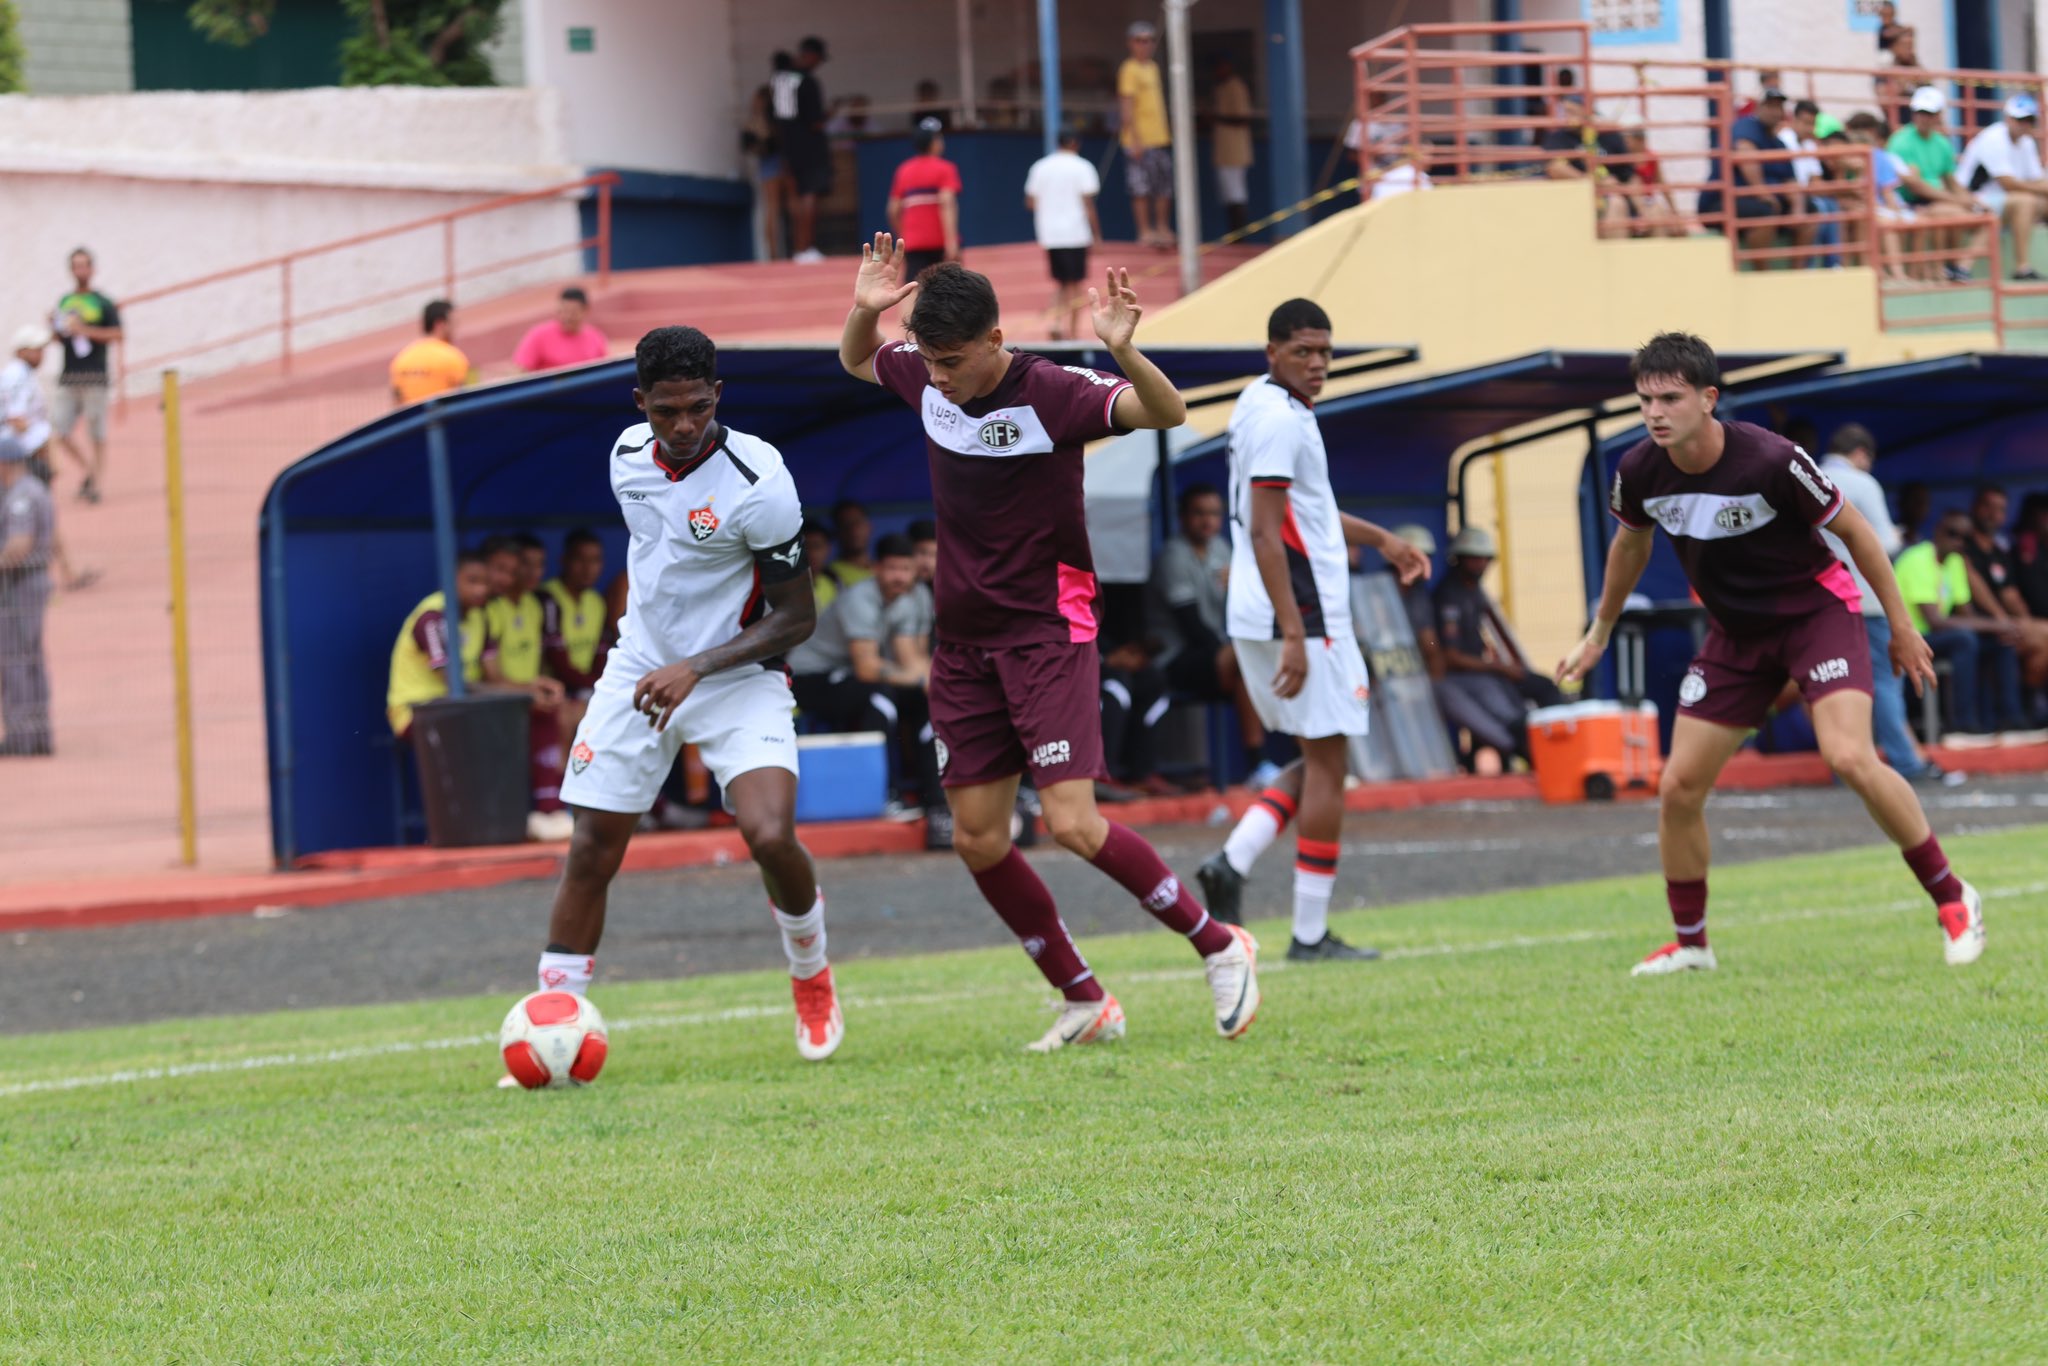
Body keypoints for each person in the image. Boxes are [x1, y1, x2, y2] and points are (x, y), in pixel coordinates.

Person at [839, 238, 1260, 1050]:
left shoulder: (1055, 393)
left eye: (953, 360)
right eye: (928, 358)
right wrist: (866, 307)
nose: (938, 375)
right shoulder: (925, 378)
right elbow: (861, 361)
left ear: (997, 341)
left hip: (1047, 632)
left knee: (1072, 824)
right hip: (962, 648)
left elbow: (1166, 413)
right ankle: (1083, 997)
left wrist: (1126, 350)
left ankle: (1218, 942)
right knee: (977, 838)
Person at [1558, 332, 1983, 975]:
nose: (1655, 413)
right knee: (1678, 787)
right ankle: (1693, 944)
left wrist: (1899, 624)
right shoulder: (1640, 470)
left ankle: (1953, 898)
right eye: (1645, 400)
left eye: (1670, 398)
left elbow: (1857, 533)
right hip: (1736, 636)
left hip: (1817, 618)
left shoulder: (1772, 460)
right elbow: (1629, 548)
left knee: (1849, 757)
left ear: (1709, 399)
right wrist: (1597, 634)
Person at [530, 324, 842, 1070]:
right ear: (639, 403)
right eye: (665, 410)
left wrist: (697, 666)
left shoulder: (760, 481)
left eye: (697, 408)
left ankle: (812, 974)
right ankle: (552, 1023)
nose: (681, 426)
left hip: (737, 675)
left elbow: (797, 617)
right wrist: (662, 656)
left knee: (768, 835)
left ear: (717, 397)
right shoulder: (625, 457)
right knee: (591, 846)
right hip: (640, 667)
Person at [1192, 297, 1431, 961]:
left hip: (1270, 609)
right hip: (1299, 613)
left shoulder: (1262, 403)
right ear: (1273, 351)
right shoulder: (1281, 423)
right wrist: (1296, 633)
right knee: (1331, 762)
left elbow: (1310, 513)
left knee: (1320, 754)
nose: (1318, 363)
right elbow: (1269, 533)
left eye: (1325, 351)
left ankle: (1233, 861)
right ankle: (1308, 934)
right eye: (1303, 351)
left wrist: (1383, 538)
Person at [1816, 423, 1949, 783]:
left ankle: (1842, 767)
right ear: (1861, 454)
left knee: (1836, 682)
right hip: (1865, 598)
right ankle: (1906, 762)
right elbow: (1882, 543)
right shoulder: (1862, 483)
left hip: (1822, 602)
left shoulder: (1807, 475)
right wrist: (1902, 536)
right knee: (1884, 682)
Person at [787, 532, 939, 816]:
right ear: (876, 568)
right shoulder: (860, 599)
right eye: (892, 568)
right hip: (811, 677)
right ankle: (886, 797)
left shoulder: (911, 596)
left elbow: (912, 659)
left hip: (852, 677)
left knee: (927, 703)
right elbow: (868, 669)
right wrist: (920, 680)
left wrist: (933, 686)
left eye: (906, 570)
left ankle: (935, 798)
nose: (900, 577)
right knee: (880, 699)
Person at [1149, 481, 1268, 776]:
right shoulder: (1173, 555)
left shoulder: (1221, 549)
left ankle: (1261, 765)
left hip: (1213, 655)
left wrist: (1242, 586)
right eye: (1199, 513)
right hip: (1174, 659)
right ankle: (1258, 764)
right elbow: (1192, 628)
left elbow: (1242, 611)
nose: (1207, 520)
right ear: (1183, 517)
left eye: (1214, 513)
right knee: (1247, 660)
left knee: (1257, 664)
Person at [1432, 525, 1562, 766]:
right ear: (1459, 559)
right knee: (1512, 721)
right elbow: (1452, 657)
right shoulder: (1449, 596)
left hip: (1485, 672)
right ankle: (1543, 761)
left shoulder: (1474, 591)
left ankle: (1560, 743)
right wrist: (1499, 667)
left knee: (1544, 688)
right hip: (1466, 678)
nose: (1480, 565)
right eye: (1474, 559)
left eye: (1484, 559)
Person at [1893, 510, 2012, 737]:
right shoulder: (1918, 559)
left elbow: (1966, 615)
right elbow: (1934, 621)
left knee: (2000, 641)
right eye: (1953, 533)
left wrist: (2001, 628)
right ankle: (1961, 724)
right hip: (1913, 637)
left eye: (1965, 538)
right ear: (1937, 531)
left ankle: (2008, 719)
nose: (1958, 541)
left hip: (1938, 637)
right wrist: (1998, 624)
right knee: (1965, 639)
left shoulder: (1955, 561)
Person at [1960, 483, 2048, 724]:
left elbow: (2011, 594)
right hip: (1977, 624)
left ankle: (2027, 706)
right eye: (1987, 506)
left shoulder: (1999, 551)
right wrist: (2004, 621)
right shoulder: (1963, 545)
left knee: (2042, 638)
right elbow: (1976, 587)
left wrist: (2027, 623)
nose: (1993, 514)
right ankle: (2026, 709)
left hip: (2002, 624)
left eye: (2000, 509)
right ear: (1974, 507)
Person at [384, 550, 494, 742]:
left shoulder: (480, 615)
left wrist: (528, 690)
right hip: (415, 711)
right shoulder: (432, 616)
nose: (481, 590)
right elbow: (453, 682)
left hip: (459, 708)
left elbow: (496, 675)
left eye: (485, 583)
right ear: (450, 580)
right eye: (472, 581)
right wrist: (500, 693)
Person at [50, 248, 122, 504]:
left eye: (84, 266)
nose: (80, 270)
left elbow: (117, 334)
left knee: (96, 431)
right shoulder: (64, 301)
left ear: (92, 269)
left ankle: (96, 484)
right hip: (69, 376)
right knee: (59, 428)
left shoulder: (104, 302)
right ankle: (89, 472)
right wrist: (55, 328)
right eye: (76, 266)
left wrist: (85, 330)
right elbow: (57, 339)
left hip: (95, 376)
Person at [1888, 87, 1980, 283]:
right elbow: (1915, 186)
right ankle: (1945, 268)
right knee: (1949, 212)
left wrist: (1970, 199)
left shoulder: (1942, 143)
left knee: (1983, 217)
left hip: (1934, 200)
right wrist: (1956, 199)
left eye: (1929, 113)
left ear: (1938, 115)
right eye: (1921, 112)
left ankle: (1957, 268)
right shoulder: (1901, 141)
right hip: (1909, 203)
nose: (1924, 117)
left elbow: (1950, 181)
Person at [0, 431, 55, 756]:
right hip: (29, 583)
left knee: (15, 661)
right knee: (31, 660)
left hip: (21, 585)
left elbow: (18, 547)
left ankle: (22, 736)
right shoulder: (33, 489)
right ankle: (38, 734)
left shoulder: (21, 496)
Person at [1023, 130, 1103, 341]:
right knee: (1075, 283)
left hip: (1050, 234)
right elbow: (1088, 204)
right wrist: (1097, 236)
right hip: (1075, 233)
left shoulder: (1040, 167)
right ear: (1075, 143)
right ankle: (1073, 331)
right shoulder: (1083, 166)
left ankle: (1057, 322)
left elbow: (1030, 202)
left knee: (1061, 282)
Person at [1957, 95, 2047, 281]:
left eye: (2029, 120)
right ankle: (2022, 267)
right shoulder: (1993, 138)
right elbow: (2008, 183)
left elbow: (2036, 180)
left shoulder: (2027, 143)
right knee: (2026, 201)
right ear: (2007, 118)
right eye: (2020, 119)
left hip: (2001, 202)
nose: (2024, 124)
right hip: (1973, 199)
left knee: (2035, 201)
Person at [772, 35, 832, 264]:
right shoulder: (808, 81)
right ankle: (806, 247)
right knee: (810, 195)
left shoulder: (780, 79)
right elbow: (815, 121)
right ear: (812, 56)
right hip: (809, 146)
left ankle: (797, 248)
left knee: (794, 196)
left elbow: (779, 117)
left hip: (787, 146)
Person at [1117, 22, 1176, 251]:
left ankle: (1161, 227)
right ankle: (1145, 230)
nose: (1146, 45)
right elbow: (1126, 105)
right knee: (1141, 188)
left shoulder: (1152, 67)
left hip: (1159, 138)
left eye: (1149, 40)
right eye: (1140, 40)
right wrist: (1135, 139)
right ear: (1131, 43)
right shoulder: (1128, 69)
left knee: (1163, 186)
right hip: (1139, 140)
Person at [887, 119, 963, 283]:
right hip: (940, 242)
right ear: (934, 143)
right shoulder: (945, 168)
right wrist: (951, 242)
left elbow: (893, 210)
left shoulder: (903, 170)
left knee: (912, 289)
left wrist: (903, 237)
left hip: (913, 242)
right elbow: (947, 203)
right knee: (953, 291)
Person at [390, 300, 470, 406]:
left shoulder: (401, 359)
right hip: (443, 419)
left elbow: (396, 402)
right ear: (440, 324)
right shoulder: (454, 357)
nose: (456, 328)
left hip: (413, 421)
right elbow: (468, 397)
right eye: (453, 323)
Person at [513, 287, 608, 373]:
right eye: (563, 311)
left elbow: (603, 370)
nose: (567, 317)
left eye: (573, 313)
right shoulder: (538, 335)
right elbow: (520, 371)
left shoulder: (595, 337)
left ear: (586, 310)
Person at [1210, 56, 1255, 235]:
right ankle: (1233, 235)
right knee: (1228, 195)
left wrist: (1215, 117)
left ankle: (1238, 236)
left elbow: (1243, 118)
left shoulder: (1236, 86)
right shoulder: (1221, 87)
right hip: (1223, 151)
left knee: (1236, 194)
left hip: (1235, 150)